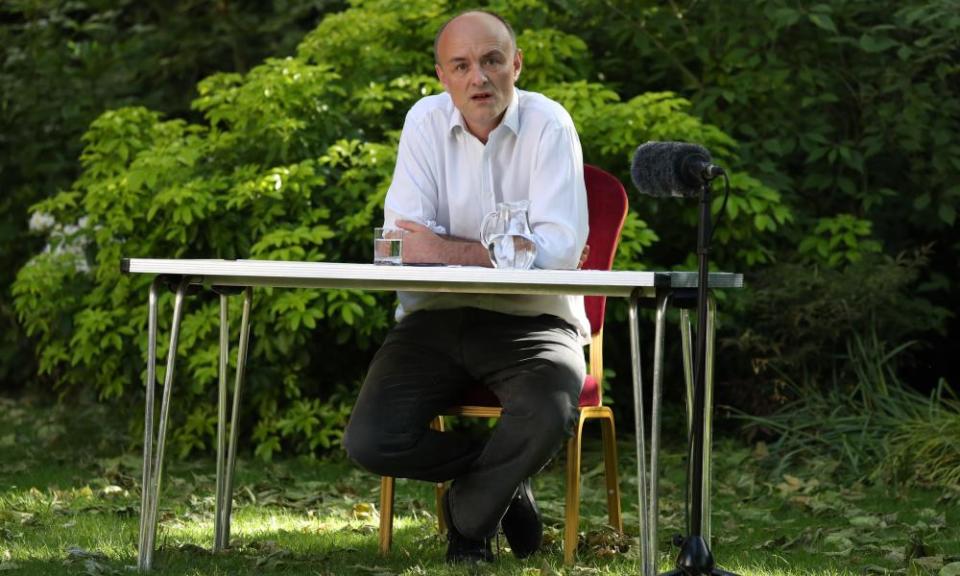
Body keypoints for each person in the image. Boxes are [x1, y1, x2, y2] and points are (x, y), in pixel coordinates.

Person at [343, 9, 590, 563]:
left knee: (548, 411)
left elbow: (556, 253)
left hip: (533, 321)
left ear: (516, 65)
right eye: (461, 65)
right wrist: (499, 251)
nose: (478, 77)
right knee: (370, 441)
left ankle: (471, 524)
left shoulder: (551, 125)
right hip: (435, 320)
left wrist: (445, 249)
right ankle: (504, 479)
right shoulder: (423, 122)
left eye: (491, 61)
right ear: (442, 76)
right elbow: (396, 245)